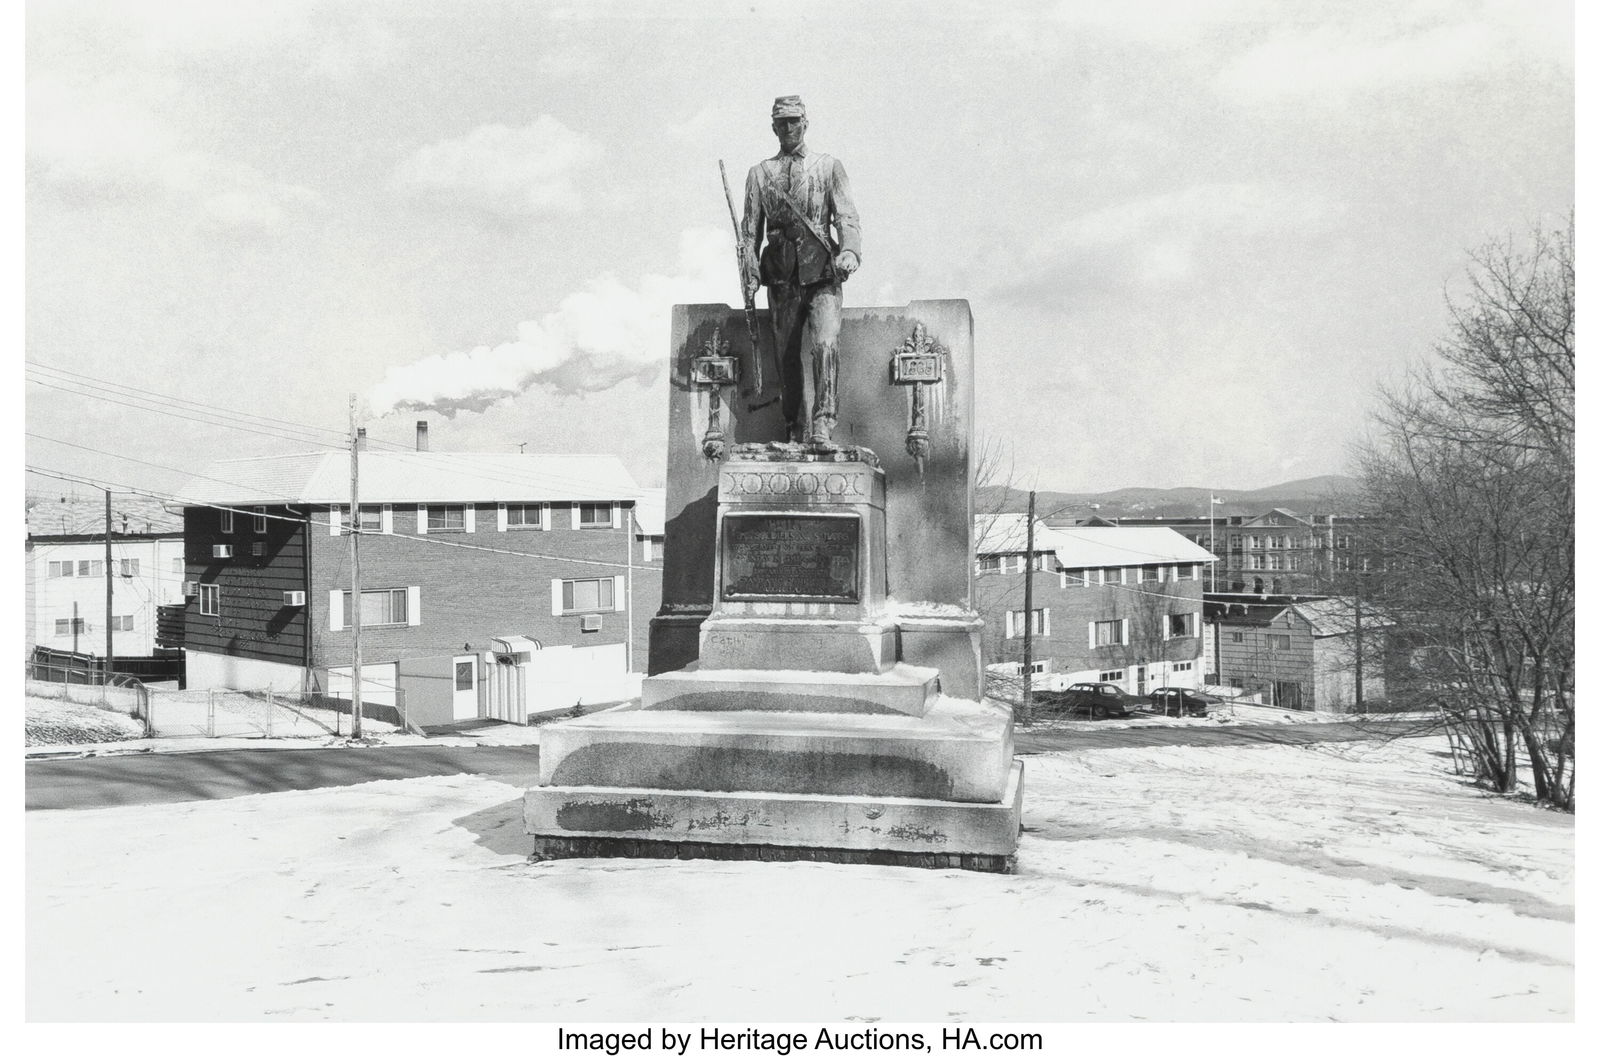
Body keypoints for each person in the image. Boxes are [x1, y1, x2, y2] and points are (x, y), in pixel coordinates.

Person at [741, 96, 861, 444]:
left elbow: (847, 216)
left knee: (825, 343)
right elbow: (749, 233)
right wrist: (749, 272)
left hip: (822, 269)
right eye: (783, 122)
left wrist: (850, 251)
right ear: (773, 126)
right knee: (785, 353)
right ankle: (794, 425)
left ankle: (823, 422)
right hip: (780, 273)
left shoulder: (828, 166)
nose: (789, 128)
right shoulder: (759, 174)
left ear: (805, 123)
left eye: (795, 121)